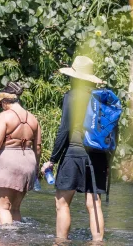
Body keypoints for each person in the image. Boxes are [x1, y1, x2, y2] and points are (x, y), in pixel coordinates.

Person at [40, 56, 108, 241]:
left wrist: (52, 159)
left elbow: (64, 130)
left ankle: (61, 242)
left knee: (62, 202)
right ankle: (97, 243)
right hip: (99, 155)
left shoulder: (72, 96)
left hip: (75, 152)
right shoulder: (102, 98)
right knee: (94, 204)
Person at [0, 82, 41, 225]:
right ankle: (17, 238)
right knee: (15, 208)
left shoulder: (4, 116)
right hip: (28, 161)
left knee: (3, 207)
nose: (1, 106)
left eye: (1, 103)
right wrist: (36, 167)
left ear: (6, 101)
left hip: (8, 161)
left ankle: (6, 238)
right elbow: (37, 147)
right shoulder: (33, 119)